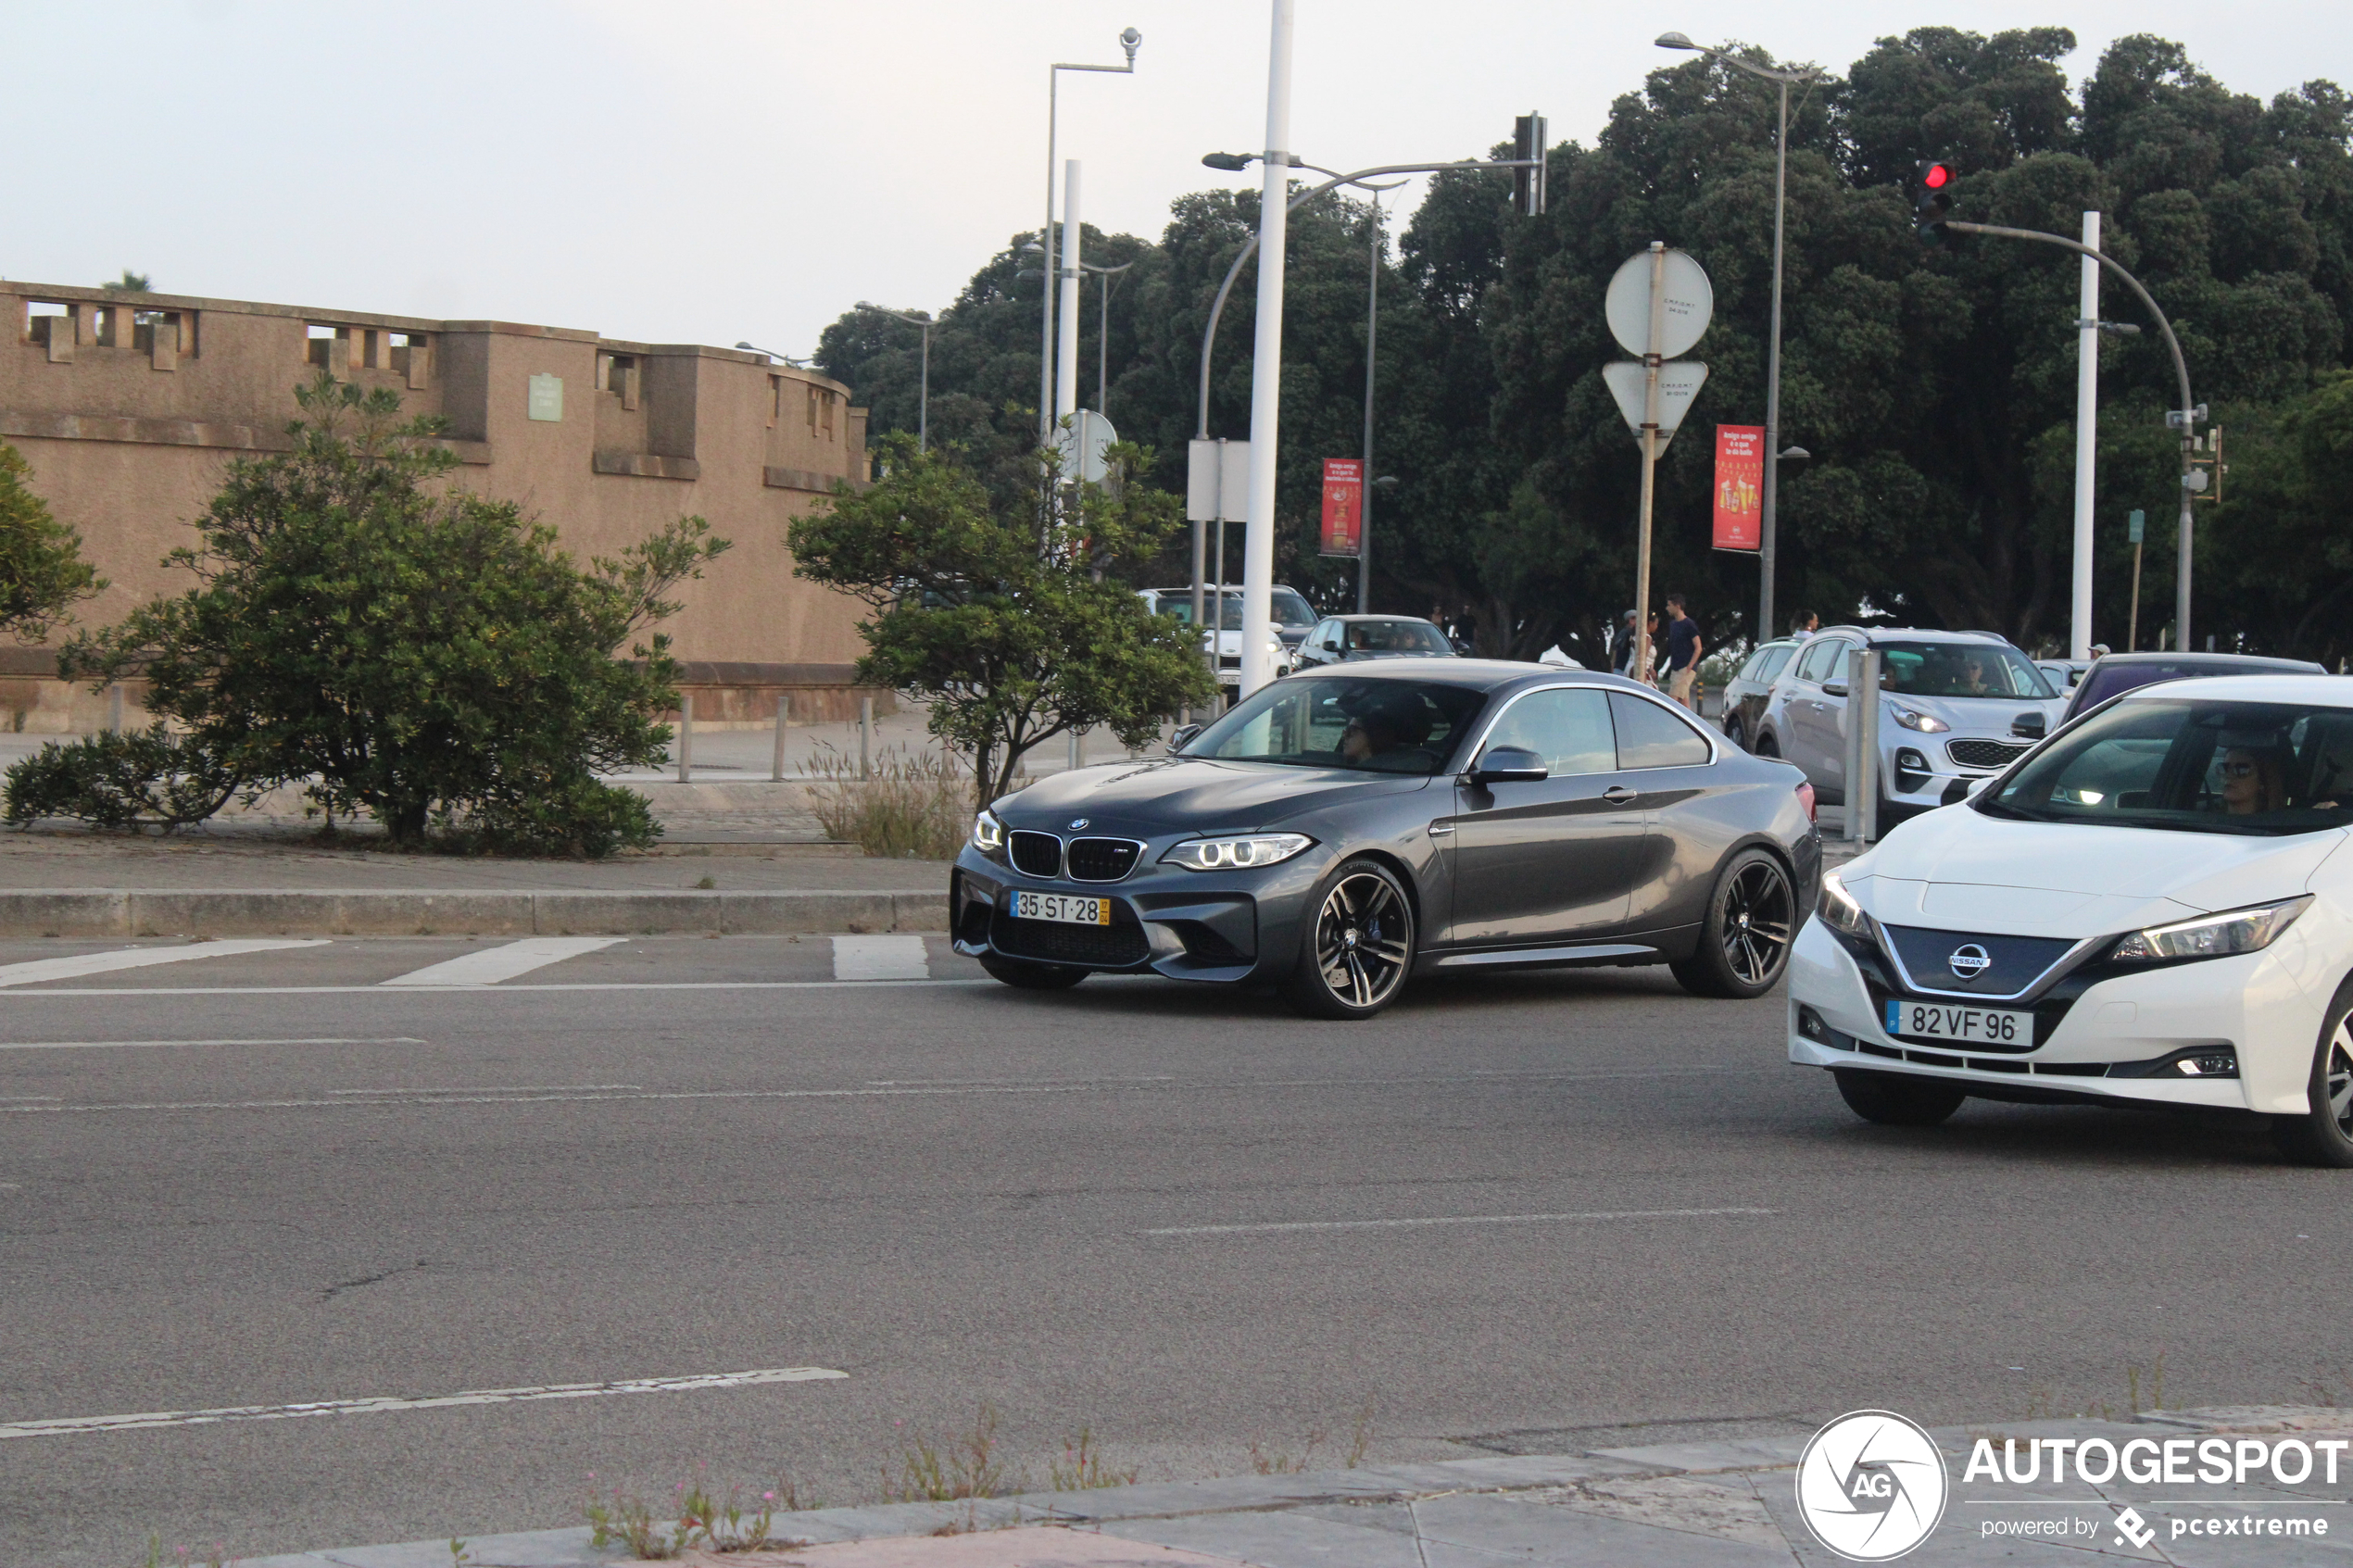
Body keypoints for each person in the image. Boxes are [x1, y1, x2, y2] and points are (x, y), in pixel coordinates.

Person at [2217, 747, 2285, 815]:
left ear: (2262, 782)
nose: (2228, 775)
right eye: (2224, 767)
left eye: (2241, 769)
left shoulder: (2276, 823)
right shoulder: (2208, 818)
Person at [1663, 594, 1703, 709]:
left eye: (1669, 605)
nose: (1667, 608)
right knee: (1684, 703)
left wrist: (1690, 666)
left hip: (1685, 668)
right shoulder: (1673, 624)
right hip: (1675, 667)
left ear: (1678, 606)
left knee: (1672, 701)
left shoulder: (1689, 624)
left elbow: (1698, 647)